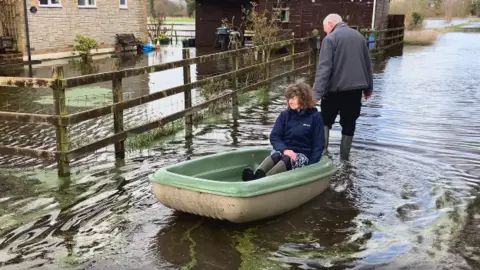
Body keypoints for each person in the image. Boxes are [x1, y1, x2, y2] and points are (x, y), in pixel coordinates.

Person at [312, 13, 373, 159]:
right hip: (355, 91)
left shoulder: (330, 39)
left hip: (334, 90)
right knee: (349, 123)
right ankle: (345, 159)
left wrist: (316, 94)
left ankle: (323, 156)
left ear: (331, 24)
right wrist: (369, 88)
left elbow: (324, 69)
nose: (325, 31)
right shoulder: (359, 37)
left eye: (325, 27)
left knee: (325, 120)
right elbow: (368, 65)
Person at [242, 82, 325, 181]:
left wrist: (311, 167)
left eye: (293, 98)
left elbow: (318, 145)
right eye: (289, 98)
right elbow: (274, 136)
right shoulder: (284, 115)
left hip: (302, 155)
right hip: (284, 151)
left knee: (287, 158)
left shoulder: (315, 117)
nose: (290, 101)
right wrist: (285, 150)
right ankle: (256, 175)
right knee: (276, 155)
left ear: (303, 98)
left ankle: (264, 180)